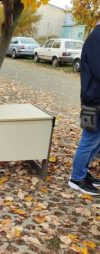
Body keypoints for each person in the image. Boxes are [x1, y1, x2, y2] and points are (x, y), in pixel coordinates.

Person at [68, 22, 100, 195]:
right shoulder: (97, 37)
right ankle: (76, 178)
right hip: (93, 101)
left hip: (95, 99)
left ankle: (83, 172)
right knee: (89, 140)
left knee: (96, 141)